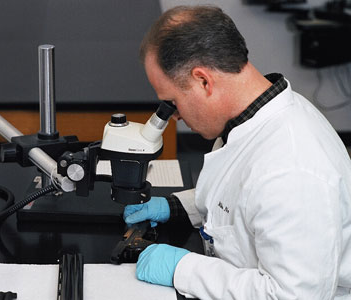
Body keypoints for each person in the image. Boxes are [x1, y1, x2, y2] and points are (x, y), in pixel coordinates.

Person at [123, 5, 351, 300]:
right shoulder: (255, 118)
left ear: (203, 80)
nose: (174, 116)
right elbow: (246, 193)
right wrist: (180, 208)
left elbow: (290, 296)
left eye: (172, 102)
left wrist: (184, 269)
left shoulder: (294, 169)